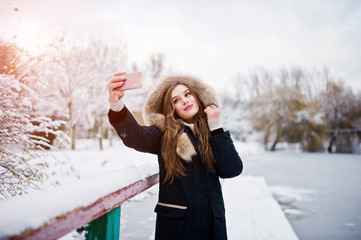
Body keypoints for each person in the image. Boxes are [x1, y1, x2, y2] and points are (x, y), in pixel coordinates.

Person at [107, 72, 243, 240]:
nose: (184, 100)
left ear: (197, 96)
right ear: (171, 108)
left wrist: (215, 127)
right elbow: (136, 137)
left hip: (212, 227)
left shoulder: (213, 134)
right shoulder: (163, 134)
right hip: (178, 229)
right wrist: (116, 104)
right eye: (176, 100)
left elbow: (232, 170)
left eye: (187, 94)